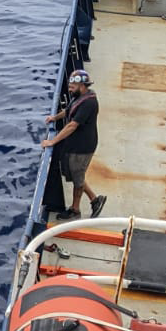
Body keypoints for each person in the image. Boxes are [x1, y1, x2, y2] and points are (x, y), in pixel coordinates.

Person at [42, 70, 107, 220]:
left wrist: (53, 141)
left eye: (73, 85)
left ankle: (77, 208)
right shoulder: (78, 97)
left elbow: (72, 125)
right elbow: (68, 111)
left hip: (83, 148)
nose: (70, 87)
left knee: (78, 178)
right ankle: (94, 200)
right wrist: (54, 118)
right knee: (76, 176)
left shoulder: (89, 103)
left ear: (83, 86)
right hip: (74, 145)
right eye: (70, 85)